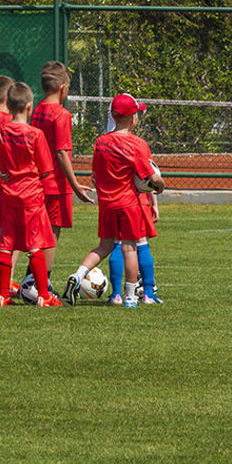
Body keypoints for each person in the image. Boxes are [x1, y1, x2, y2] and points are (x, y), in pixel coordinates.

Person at [0, 82, 60, 307]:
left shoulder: (0, 132)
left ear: (8, 105)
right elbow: (46, 169)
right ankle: (43, 295)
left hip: (8, 195)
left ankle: (3, 294)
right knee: (35, 243)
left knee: (6, 243)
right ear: (30, 106)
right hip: (31, 197)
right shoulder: (35, 135)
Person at [75, 94, 163, 308]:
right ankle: (134, 295)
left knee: (110, 246)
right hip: (130, 202)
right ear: (133, 118)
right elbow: (150, 177)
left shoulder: (100, 142)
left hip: (106, 204)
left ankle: (107, 290)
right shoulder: (137, 144)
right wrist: (159, 187)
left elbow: (95, 176)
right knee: (132, 247)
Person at [31, 60, 94, 292]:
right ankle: (42, 285)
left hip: (37, 181)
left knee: (38, 235)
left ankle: (32, 281)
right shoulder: (61, 114)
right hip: (55, 184)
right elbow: (62, 153)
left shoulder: (37, 110)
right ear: (63, 88)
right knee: (50, 236)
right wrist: (76, 185)